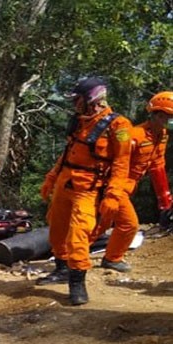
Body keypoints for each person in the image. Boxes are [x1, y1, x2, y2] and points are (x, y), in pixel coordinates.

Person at [37, 77, 131, 306]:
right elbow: (68, 152)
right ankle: (61, 269)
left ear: (92, 99)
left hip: (88, 189)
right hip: (65, 182)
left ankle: (77, 282)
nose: (74, 104)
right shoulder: (79, 121)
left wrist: (113, 195)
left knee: (79, 235)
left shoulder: (119, 126)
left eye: (77, 99)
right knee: (57, 230)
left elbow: (121, 163)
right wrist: (51, 178)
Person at [94, 91, 173, 271]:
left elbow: (157, 166)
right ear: (159, 115)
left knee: (102, 224)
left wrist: (165, 201)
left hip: (130, 186)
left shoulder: (163, 136)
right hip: (116, 185)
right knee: (129, 224)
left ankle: (70, 256)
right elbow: (116, 162)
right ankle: (111, 258)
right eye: (170, 118)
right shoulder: (134, 135)